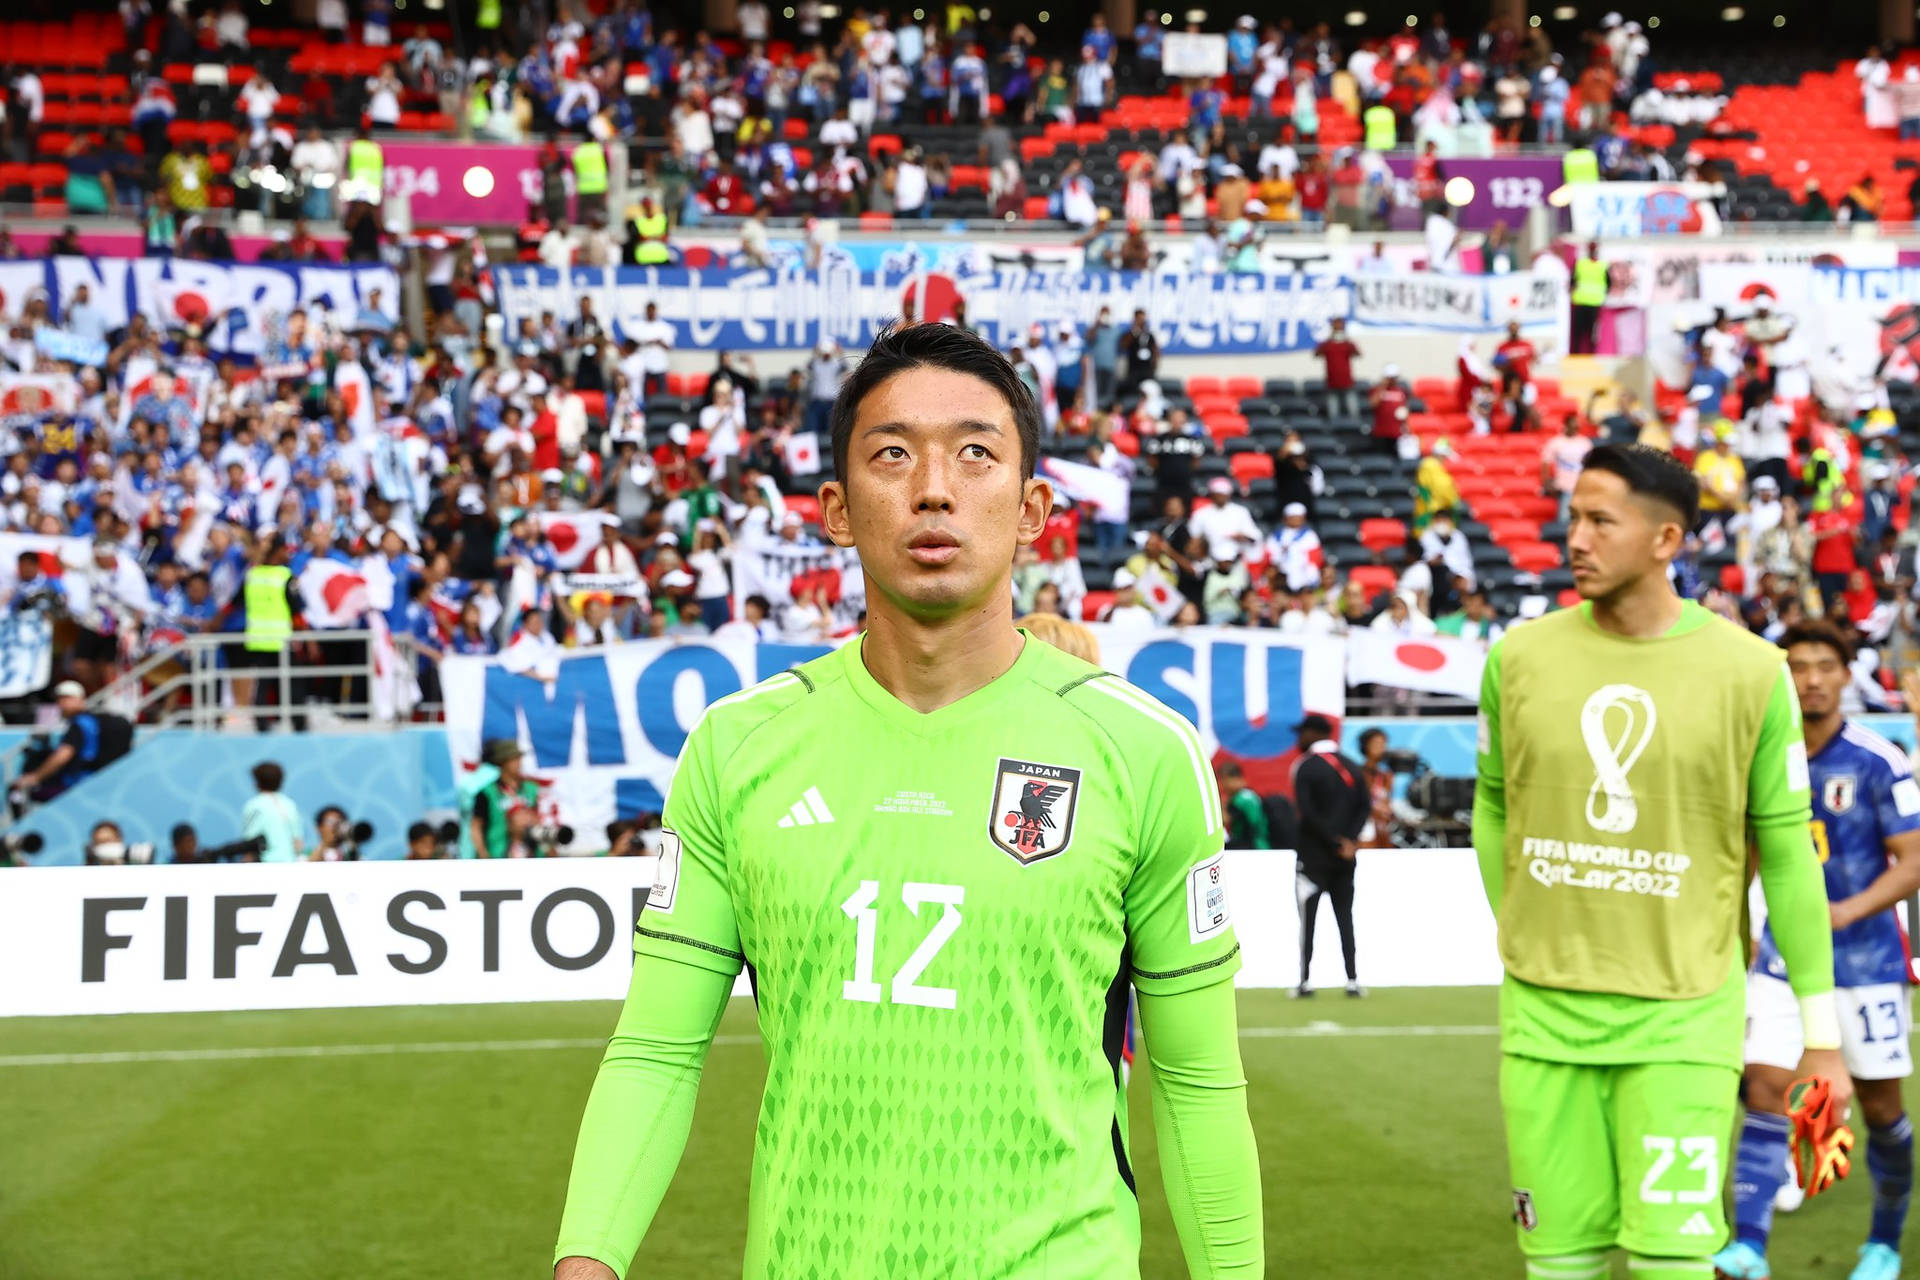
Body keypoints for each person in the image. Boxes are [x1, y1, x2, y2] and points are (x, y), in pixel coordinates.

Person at [554, 323, 1261, 1279]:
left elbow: (1196, 1080)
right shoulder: (737, 748)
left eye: (977, 453)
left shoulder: (1144, 753)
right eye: (894, 454)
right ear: (838, 511)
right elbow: (655, 1051)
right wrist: (586, 1262)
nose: (935, 487)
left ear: (1032, 508)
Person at [1474, 444, 1846, 1280]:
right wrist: (1520, 924)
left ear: (1666, 540)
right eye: (1572, 517)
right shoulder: (1518, 657)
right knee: (1558, 1262)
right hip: (1543, 1019)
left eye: (1600, 521)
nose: (1576, 538)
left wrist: (1821, 1041)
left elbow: (1788, 855)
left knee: (1670, 1263)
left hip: (1684, 1019)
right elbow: (1493, 802)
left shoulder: (1752, 671)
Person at [1715, 621, 1920, 1280]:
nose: (1808, 678)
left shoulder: (1879, 759)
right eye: (1796, 665)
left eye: (1823, 665)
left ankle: (1883, 1242)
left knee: (1881, 1107)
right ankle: (1748, 1245)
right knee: (1768, 1084)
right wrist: (1738, 926)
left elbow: (1914, 858)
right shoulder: (1765, 755)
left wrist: (1846, 911)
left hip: (1866, 964)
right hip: (1783, 958)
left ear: (1843, 674)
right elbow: (1746, 852)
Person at [1289, 714, 1370, 998]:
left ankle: (1305, 980)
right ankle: (1352, 979)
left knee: (1307, 920)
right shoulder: (1352, 766)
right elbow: (1364, 807)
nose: (1298, 739)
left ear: (1313, 733)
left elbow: (1306, 812)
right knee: (1345, 917)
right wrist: (1349, 841)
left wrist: (1333, 840)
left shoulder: (1306, 767)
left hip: (1313, 858)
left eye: (1302, 733)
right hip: (1346, 857)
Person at [11, 680, 134, 803]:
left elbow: (63, 755)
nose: (61, 704)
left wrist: (35, 777)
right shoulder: (90, 721)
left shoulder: (81, 723)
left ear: (80, 699)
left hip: (78, 785)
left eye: (67, 699)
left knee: (18, 791)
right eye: (60, 699)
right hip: (95, 783)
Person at [468, 737, 539, 859]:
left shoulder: (531, 789)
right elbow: (476, 825)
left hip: (531, 854)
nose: (519, 763)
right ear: (503, 762)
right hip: (497, 853)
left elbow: (539, 818)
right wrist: (482, 853)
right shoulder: (487, 792)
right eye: (514, 759)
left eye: (519, 758)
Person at [240, 761, 305, 863]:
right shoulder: (289, 804)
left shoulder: (254, 805)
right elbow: (298, 843)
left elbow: (249, 842)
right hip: (291, 864)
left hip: (266, 864)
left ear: (257, 782)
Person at [1219, 761, 1270, 850]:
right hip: (1262, 843)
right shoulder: (1250, 794)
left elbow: (1225, 820)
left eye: (1223, 779)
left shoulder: (1239, 800)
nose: (1222, 785)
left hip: (1250, 846)